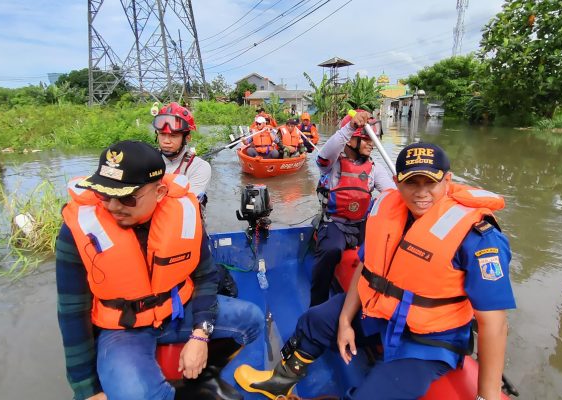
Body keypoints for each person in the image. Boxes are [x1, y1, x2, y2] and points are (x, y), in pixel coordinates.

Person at [234, 142, 516, 400]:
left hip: (428, 340)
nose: (421, 193)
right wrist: (345, 319)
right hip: (381, 312)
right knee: (314, 320)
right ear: (396, 182)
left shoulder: (478, 236)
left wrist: (487, 396)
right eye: (411, 182)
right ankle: (279, 383)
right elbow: (368, 269)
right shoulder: (387, 210)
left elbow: (494, 322)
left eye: (430, 182)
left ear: (448, 180)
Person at [56, 140, 263, 400]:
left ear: (160, 192)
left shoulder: (185, 214)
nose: (112, 206)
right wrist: (87, 389)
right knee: (136, 394)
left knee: (252, 319)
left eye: (127, 198)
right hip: (123, 330)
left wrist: (200, 334)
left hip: (177, 310)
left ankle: (204, 378)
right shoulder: (78, 230)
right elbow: (71, 313)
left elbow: (206, 275)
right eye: (103, 194)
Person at [309, 110, 394, 307]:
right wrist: (350, 127)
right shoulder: (331, 164)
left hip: (362, 224)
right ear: (350, 140)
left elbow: (392, 192)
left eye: (372, 139)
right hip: (334, 223)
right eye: (365, 139)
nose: (371, 143)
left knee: (385, 251)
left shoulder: (374, 168)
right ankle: (317, 305)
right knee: (331, 251)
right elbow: (324, 154)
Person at [153, 102, 212, 199]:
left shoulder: (199, 167)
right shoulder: (146, 161)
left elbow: (187, 206)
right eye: (162, 134)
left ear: (187, 138)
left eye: (173, 136)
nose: (166, 141)